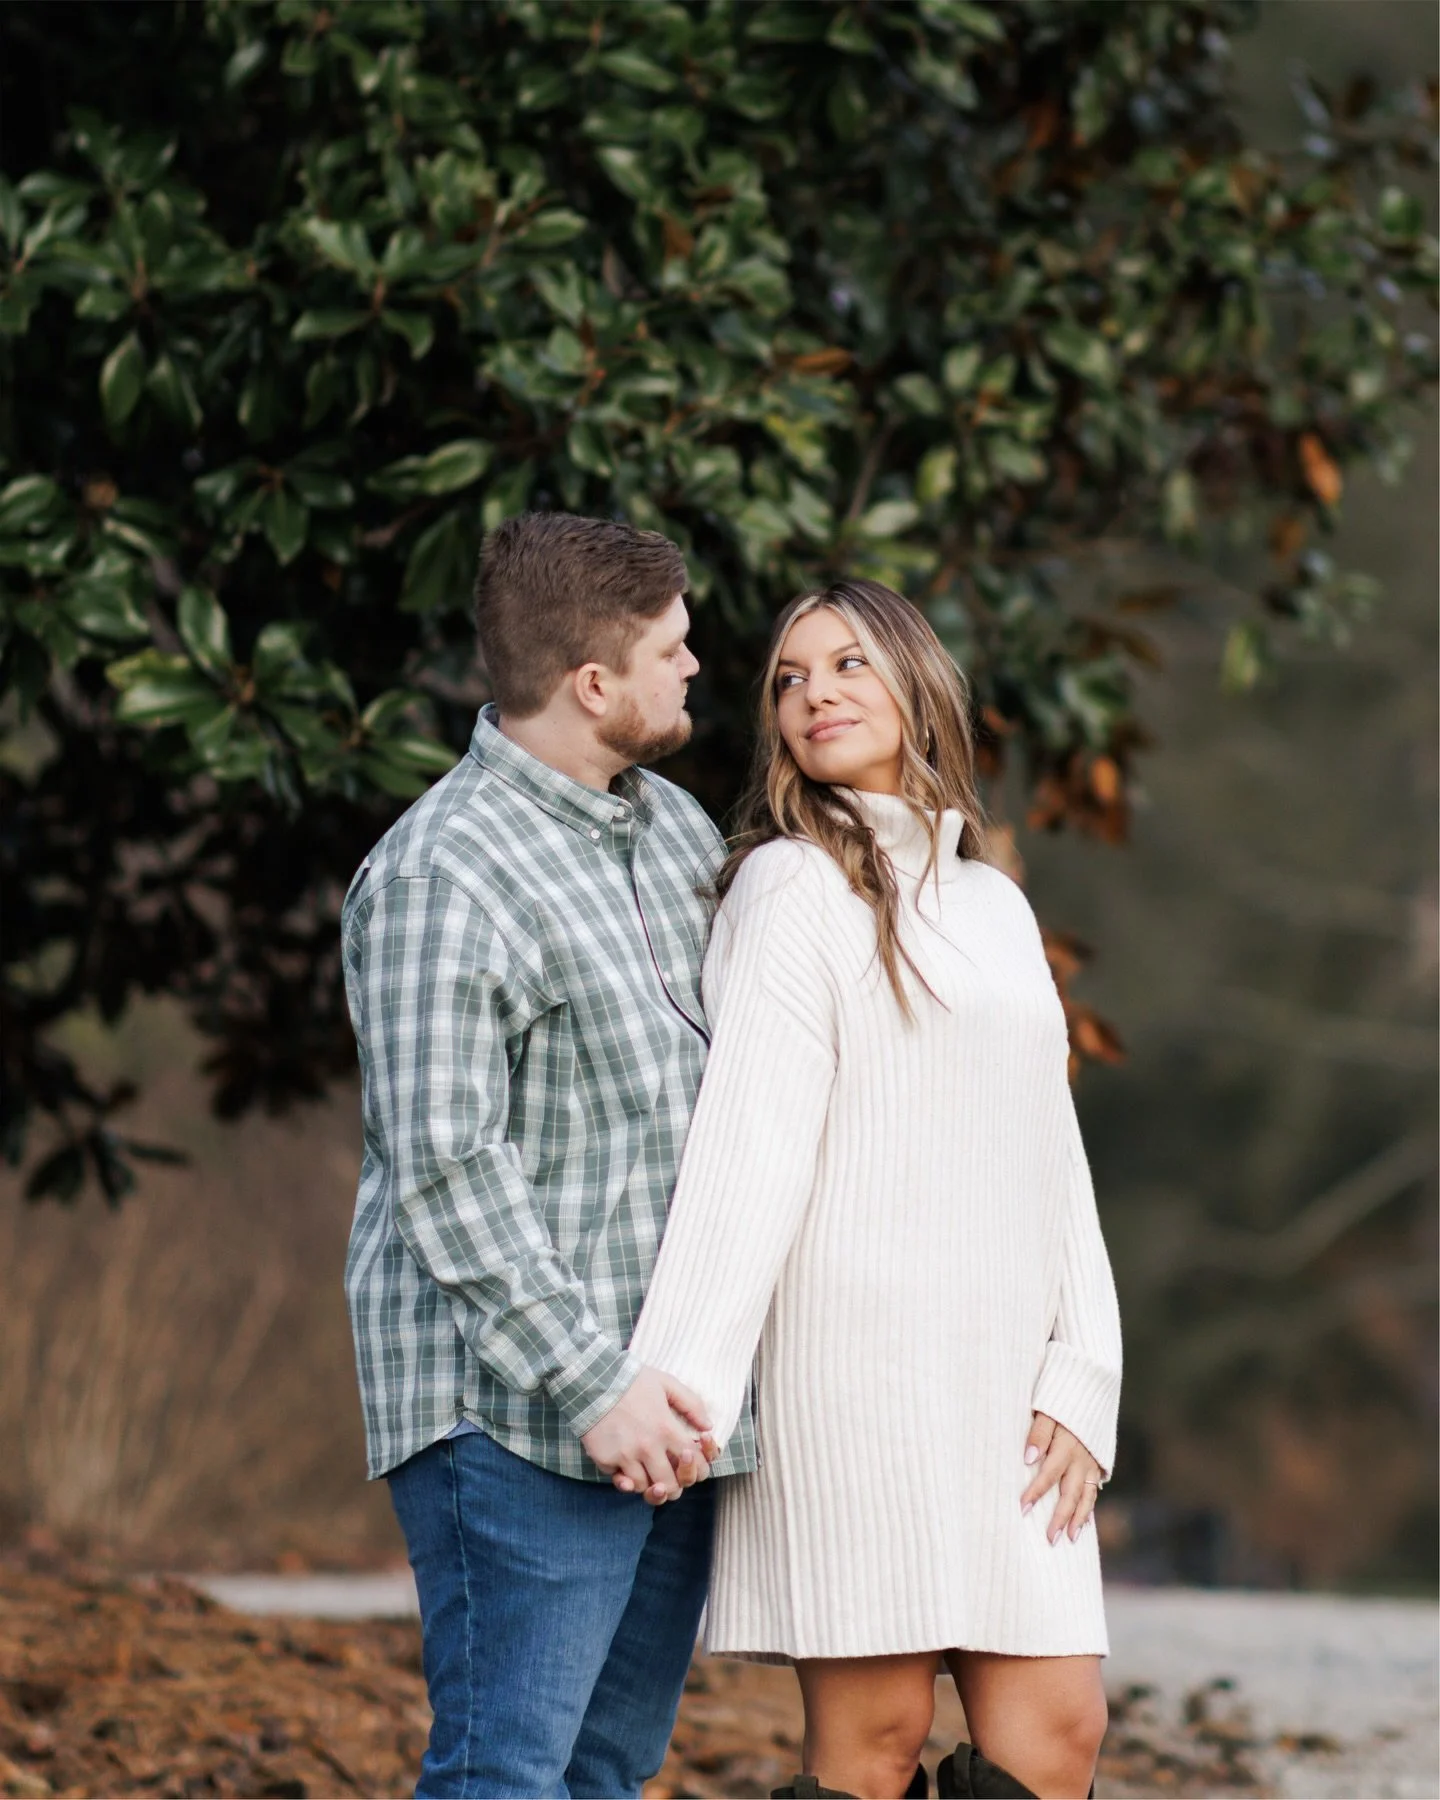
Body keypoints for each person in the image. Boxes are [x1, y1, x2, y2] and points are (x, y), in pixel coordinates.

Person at [626, 580, 1124, 1800]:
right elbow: (749, 1147)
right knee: (877, 1737)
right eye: (790, 680)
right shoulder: (790, 889)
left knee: (1057, 1731)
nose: (816, 695)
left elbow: (1050, 1148)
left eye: (848, 664)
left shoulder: (996, 904)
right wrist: (676, 1379)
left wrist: (1087, 1374)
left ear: (916, 683)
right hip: (855, 1384)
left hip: (1005, 1380)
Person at [340, 511, 743, 1799]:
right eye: (672, 650)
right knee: (504, 1780)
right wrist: (593, 1385)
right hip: (519, 1420)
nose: (694, 668)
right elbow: (447, 1167)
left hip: (664, 1418)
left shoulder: (672, 828)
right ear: (592, 684)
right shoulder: (440, 876)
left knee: (602, 1779)